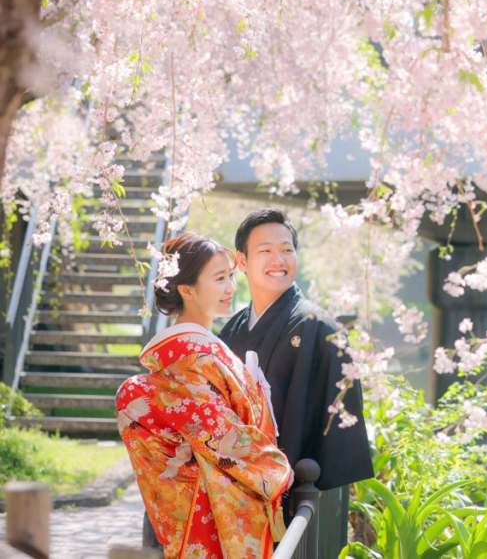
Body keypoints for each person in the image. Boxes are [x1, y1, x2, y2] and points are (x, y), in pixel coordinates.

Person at [116, 233, 292, 559]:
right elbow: (220, 434)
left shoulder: (202, 348)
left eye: (231, 276)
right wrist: (276, 469)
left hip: (210, 495)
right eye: (220, 278)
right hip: (206, 502)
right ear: (187, 290)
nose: (230, 288)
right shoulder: (190, 355)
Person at [219, 209, 374, 497]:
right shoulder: (231, 331)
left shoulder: (323, 330)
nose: (278, 260)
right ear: (242, 260)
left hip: (295, 495)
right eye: (265, 250)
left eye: (287, 250)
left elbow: (339, 436)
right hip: (236, 495)